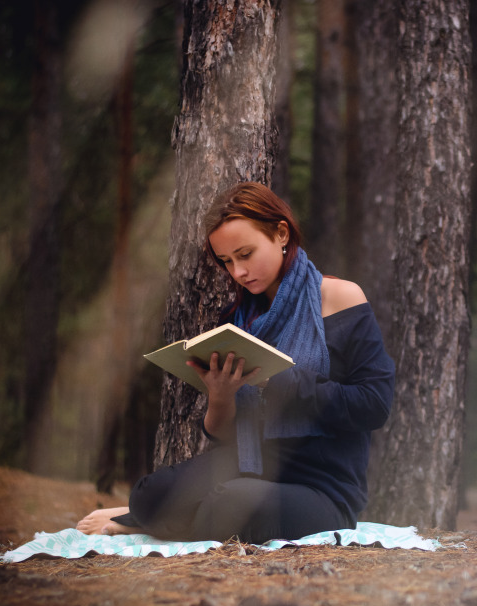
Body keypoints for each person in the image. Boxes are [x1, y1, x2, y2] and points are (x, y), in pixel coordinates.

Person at [78, 181, 395, 543]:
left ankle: (142, 522)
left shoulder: (339, 298)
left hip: (323, 485)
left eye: (245, 254)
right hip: (249, 467)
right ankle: (145, 513)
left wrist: (278, 381)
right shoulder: (241, 321)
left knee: (226, 506)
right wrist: (221, 395)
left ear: (280, 233)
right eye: (227, 261)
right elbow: (225, 435)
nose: (239, 272)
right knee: (150, 492)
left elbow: (375, 405)